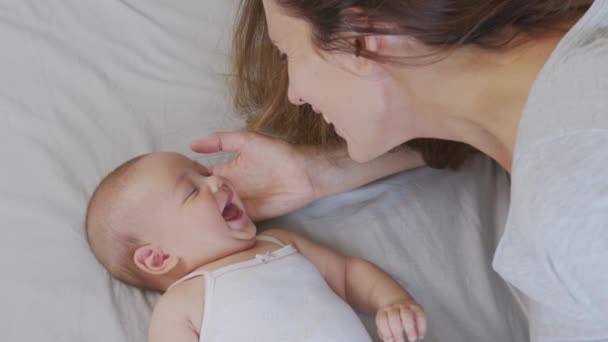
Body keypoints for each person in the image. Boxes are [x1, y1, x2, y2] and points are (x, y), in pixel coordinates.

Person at [191, 0, 608, 340]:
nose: (294, 94)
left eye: (287, 54)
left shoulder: (573, 208)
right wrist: (313, 172)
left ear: (361, 37)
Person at [85, 151, 427, 342]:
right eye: (192, 191)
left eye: (205, 173)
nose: (216, 181)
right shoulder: (179, 305)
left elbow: (349, 273)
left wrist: (392, 301)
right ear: (157, 257)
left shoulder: (279, 242)